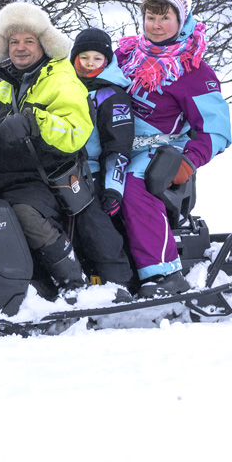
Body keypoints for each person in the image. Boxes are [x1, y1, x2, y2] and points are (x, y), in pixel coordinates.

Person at [116, 0, 232, 298]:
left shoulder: (193, 70)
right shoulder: (125, 56)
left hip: (159, 150)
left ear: (181, 20)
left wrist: (189, 160)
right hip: (115, 142)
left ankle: (165, 274)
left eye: (164, 18)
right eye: (150, 17)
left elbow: (217, 130)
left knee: (131, 185)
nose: (156, 26)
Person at [0, 1, 91, 291]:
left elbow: (76, 132)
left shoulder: (61, 80)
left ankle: (73, 281)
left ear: (44, 43)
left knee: (23, 214)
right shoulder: (1, 85)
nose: (20, 48)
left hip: (44, 178)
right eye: (14, 41)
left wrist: (34, 123)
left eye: (29, 40)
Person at [67, 27, 136, 290]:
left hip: (94, 174)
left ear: (106, 62)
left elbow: (118, 148)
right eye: (84, 57)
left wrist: (113, 189)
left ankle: (119, 282)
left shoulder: (112, 94)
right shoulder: (66, 87)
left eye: (97, 59)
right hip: (62, 171)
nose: (89, 64)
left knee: (96, 227)